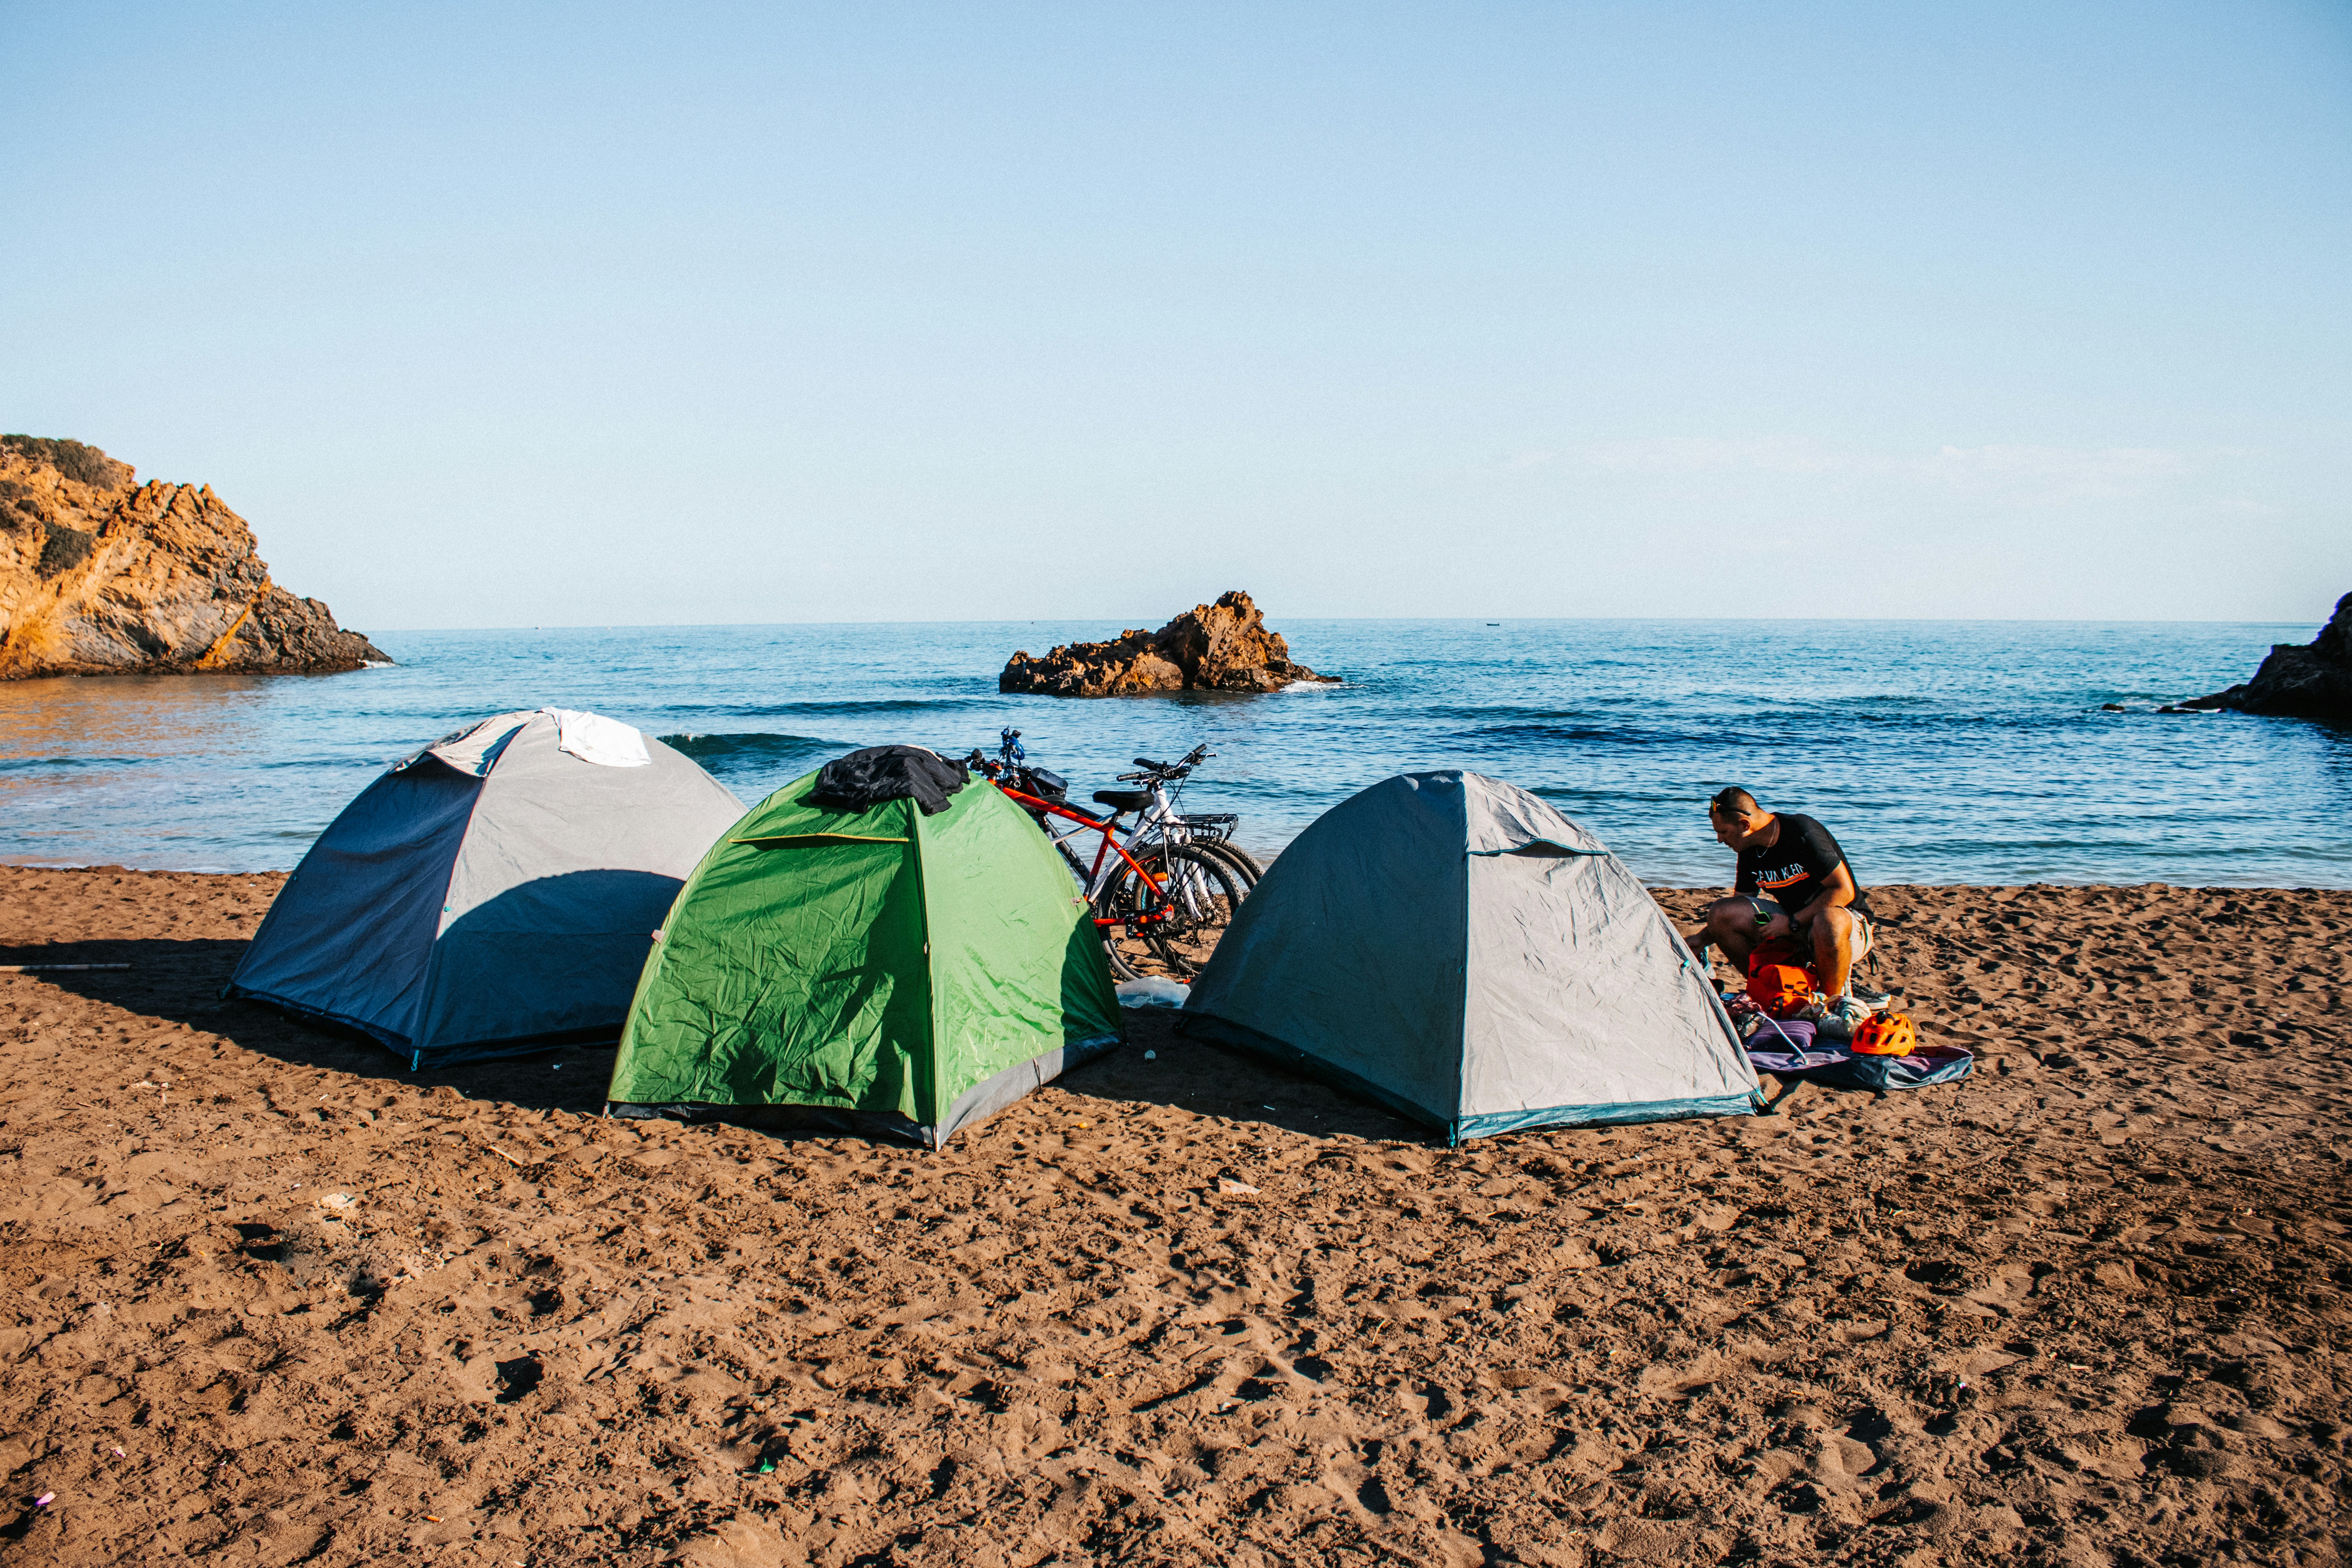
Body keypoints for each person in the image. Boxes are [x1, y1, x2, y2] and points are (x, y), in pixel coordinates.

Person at [1683, 787, 1877, 1035]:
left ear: (1744, 824)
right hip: (1795, 926)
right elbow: (1742, 903)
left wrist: (1792, 923)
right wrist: (1701, 939)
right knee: (1724, 912)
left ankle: (1830, 1005)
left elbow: (1843, 891)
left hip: (1847, 928)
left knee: (1827, 920)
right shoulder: (1750, 849)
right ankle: (1768, 989)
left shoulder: (1801, 832)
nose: (1720, 840)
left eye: (1723, 832)